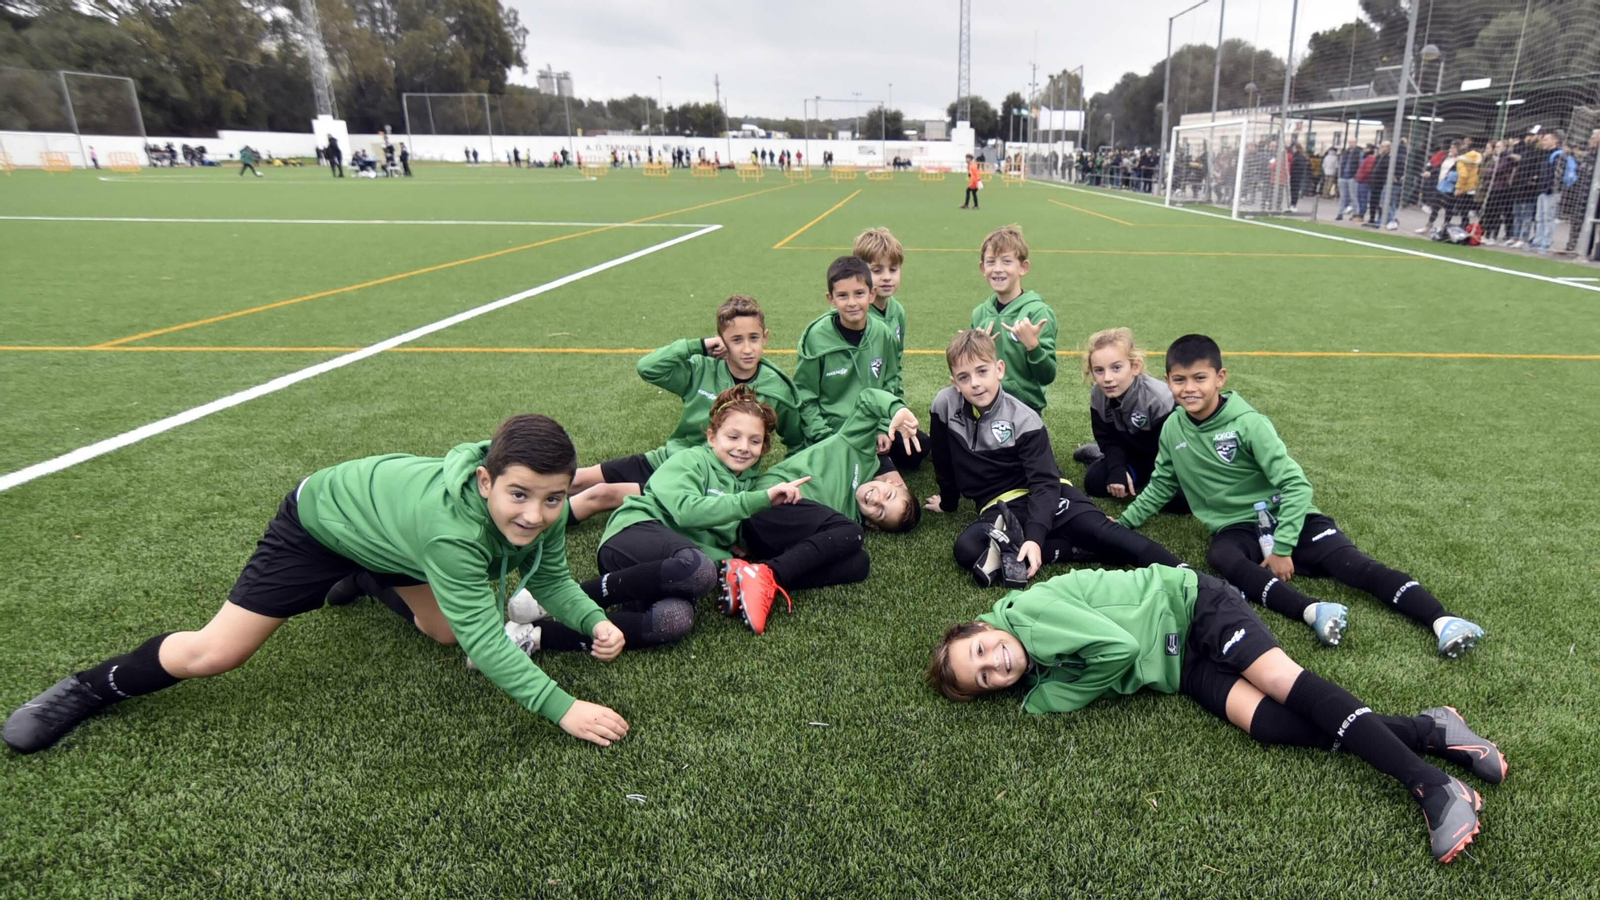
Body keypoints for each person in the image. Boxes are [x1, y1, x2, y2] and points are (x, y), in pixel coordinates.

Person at [3, 416, 633, 755]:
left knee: (439, 632)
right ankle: (84, 690)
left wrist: (592, 621)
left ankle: (367, 577)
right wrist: (564, 708)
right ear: (483, 481)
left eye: (553, 500)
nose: (535, 515)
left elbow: (550, 578)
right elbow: (486, 640)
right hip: (325, 524)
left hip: (394, 541)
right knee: (216, 653)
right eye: (519, 494)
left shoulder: (540, 511)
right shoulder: (453, 533)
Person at [926, 565, 1504, 864]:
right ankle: (1432, 729)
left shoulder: (1030, 611)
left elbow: (1119, 651)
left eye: (980, 650)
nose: (994, 664)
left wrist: (1055, 695)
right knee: (1270, 725)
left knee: (1285, 685)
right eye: (985, 679)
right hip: (1181, 668)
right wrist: (1040, 687)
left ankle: (1431, 785)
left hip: (1196, 605)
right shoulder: (1028, 668)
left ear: (983, 625)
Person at [1117, 334, 1486, 656]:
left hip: (1292, 516)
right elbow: (1163, 483)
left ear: (1220, 377)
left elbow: (1296, 486)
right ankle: (1314, 611)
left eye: (1200, 378)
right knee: (1222, 556)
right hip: (1238, 527)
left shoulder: (1249, 424)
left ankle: (1443, 621)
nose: (1189, 388)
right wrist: (1123, 525)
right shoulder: (1173, 429)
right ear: (1167, 381)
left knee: (1355, 567)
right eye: (1179, 380)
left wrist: (1282, 548)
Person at [928, 329, 1185, 589]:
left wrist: (1035, 537)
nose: (975, 383)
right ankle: (1074, 550)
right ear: (954, 382)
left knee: (1107, 535)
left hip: (1051, 495)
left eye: (982, 371)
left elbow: (1044, 481)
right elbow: (942, 458)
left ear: (999, 369)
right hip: (999, 508)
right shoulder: (944, 405)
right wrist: (948, 502)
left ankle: (1185, 572)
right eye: (964, 377)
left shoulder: (1024, 418)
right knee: (967, 549)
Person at [565, 385, 811, 639]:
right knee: (699, 569)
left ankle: (539, 634)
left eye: (754, 440)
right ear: (712, 437)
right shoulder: (691, 460)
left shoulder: (746, 486)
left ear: (764, 447)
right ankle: (568, 597)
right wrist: (761, 499)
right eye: (733, 437)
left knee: (674, 620)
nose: (743, 447)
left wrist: (733, 556)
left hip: (673, 568)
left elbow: (715, 543)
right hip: (633, 536)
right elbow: (686, 512)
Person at [567, 295, 823, 523]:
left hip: (708, 477)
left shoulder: (778, 389)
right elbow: (648, 368)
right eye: (736, 339)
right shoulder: (701, 369)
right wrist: (697, 346)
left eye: (753, 338)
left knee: (601, 494)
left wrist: (771, 483)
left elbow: (796, 443)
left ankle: (539, 528)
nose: (747, 348)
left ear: (765, 337)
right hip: (669, 457)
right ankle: (534, 500)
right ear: (722, 341)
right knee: (577, 479)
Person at [794, 257, 906, 457]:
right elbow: (805, 396)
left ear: (871, 295)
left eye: (859, 293)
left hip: (870, 429)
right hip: (832, 433)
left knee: (919, 448)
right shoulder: (816, 337)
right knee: (874, 483)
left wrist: (882, 427)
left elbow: (890, 382)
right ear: (831, 299)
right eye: (843, 296)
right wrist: (824, 436)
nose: (852, 303)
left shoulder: (882, 332)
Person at [1070, 327, 1187, 513]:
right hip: (1132, 455)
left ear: (1135, 367)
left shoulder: (1159, 399)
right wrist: (1117, 469)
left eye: (1116, 368)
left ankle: (1145, 481)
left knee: (1180, 500)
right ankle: (1101, 457)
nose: (1107, 378)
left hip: (1167, 459)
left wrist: (1159, 482)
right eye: (1099, 370)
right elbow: (1108, 439)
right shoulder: (1098, 395)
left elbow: (1175, 451)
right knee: (1094, 483)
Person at [852, 227, 928, 473]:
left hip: (887, 409)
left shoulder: (897, 312)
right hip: (861, 414)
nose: (886, 277)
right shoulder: (857, 317)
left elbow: (895, 368)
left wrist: (899, 409)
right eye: (877, 270)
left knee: (921, 448)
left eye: (893, 270)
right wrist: (878, 427)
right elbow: (858, 384)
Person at [968, 224, 1056, 413]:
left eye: (1006, 261)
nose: (998, 269)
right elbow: (969, 371)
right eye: (991, 262)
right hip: (986, 408)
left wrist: (1033, 347)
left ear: (1023, 267)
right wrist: (976, 353)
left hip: (1025, 409)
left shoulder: (1038, 313)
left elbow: (1047, 375)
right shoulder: (979, 314)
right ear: (983, 268)